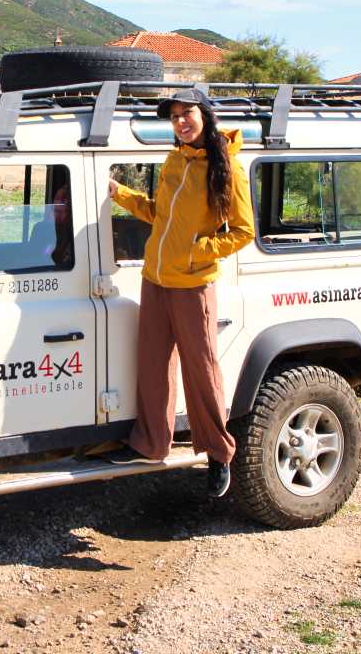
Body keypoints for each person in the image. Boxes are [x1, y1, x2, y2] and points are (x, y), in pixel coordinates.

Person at [105, 87, 255, 498]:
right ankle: (151, 445)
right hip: (155, 280)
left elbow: (244, 231)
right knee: (153, 366)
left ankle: (218, 454)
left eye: (186, 113)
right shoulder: (174, 159)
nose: (180, 122)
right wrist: (122, 196)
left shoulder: (227, 168)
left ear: (205, 114)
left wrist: (198, 250)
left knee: (201, 370)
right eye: (173, 117)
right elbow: (159, 213)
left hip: (193, 285)